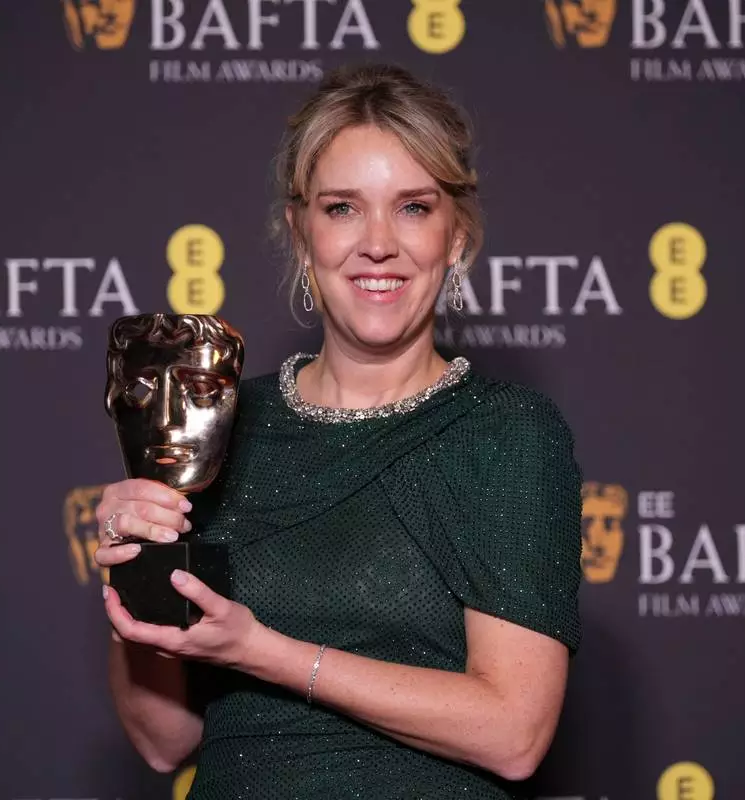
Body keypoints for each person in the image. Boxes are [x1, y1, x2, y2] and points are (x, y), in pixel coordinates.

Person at [93, 62, 584, 799]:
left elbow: (516, 734)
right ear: (301, 232)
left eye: (414, 208)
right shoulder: (217, 424)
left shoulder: (507, 433)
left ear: (456, 235)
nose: (378, 243)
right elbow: (163, 742)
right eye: (343, 208)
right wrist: (140, 579)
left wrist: (263, 651)